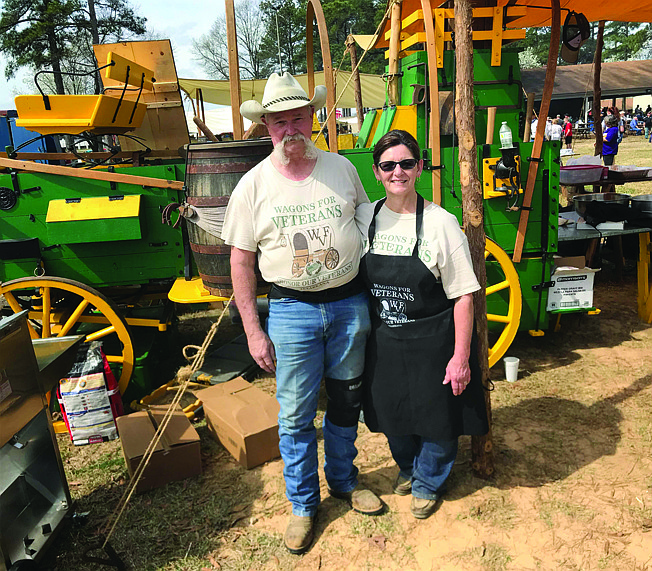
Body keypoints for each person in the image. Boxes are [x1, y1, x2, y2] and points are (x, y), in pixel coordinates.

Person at [221, 72, 382, 555]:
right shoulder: (251, 186)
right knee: (294, 415)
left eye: (297, 118)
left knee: (347, 399)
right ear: (265, 125)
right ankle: (303, 505)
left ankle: (345, 481)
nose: (290, 129)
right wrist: (253, 330)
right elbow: (241, 261)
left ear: (310, 118)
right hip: (291, 310)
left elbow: (366, 221)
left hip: (349, 303)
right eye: (279, 121)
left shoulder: (341, 169)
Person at [356, 130, 489, 520]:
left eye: (406, 163)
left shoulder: (440, 223)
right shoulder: (367, 217)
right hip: (384, 340)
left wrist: (460, 356)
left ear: (419, 168)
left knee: (438, 415)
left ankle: (429, 479)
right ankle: (408, 466)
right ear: (377, 173)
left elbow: (464, 294)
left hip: (433, 339)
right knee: (390, 411)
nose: (398, 171)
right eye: (388, 165)